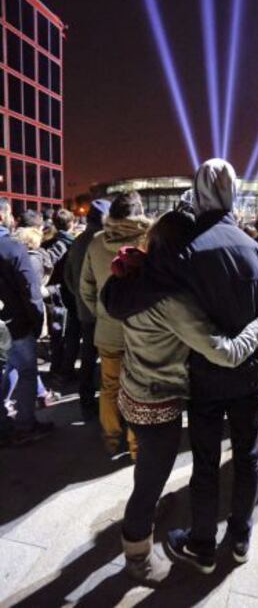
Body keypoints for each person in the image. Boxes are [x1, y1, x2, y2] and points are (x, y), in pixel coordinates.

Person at [102, 209, 258, 583]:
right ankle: (137, 555)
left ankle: (144, 521)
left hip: (135, 389)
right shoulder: (171, 300)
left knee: (146, 468)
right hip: (158, 401)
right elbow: (225, 351)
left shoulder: (136, 276)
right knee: (149, 482)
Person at [166, 158, 258, 573]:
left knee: (204, 460)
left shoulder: (185, 251)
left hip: (203, 374)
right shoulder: (255, 249)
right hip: (250, 374)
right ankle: (240, 536)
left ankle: (202, 543)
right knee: (248, 455)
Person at [80, 191, 150, 458]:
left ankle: (111, 438)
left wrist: (101, 312)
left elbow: (85, 287)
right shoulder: (148, 241)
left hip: (107, 331)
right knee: (139, 391)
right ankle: (136, 446)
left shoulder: (97, 242)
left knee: (110, 386)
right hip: (142, 332)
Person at [0, 198, 53, 446]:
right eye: (9, 213)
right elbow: (30, 292)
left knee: (6, 370)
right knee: (27, 373)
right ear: (3, 216)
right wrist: (37, 321)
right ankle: (25, 425)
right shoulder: (12, 248)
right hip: (15, 325)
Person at [64, 199, 111, 419]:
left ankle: (86, 400)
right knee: (110, 357)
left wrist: (81, 299)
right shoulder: (104, 242)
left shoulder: (77, 241)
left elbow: (68, 277)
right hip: (107, 312)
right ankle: (108, 404)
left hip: (85, 311)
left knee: (88, 356)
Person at [43, 209, 77, 381]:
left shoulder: (46, 244)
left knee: (55, 332)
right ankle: (66, 371)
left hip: (51, 294)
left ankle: (56, 367)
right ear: (71, 223)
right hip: (70, 294)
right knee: (70, 333)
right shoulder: (75, 244)